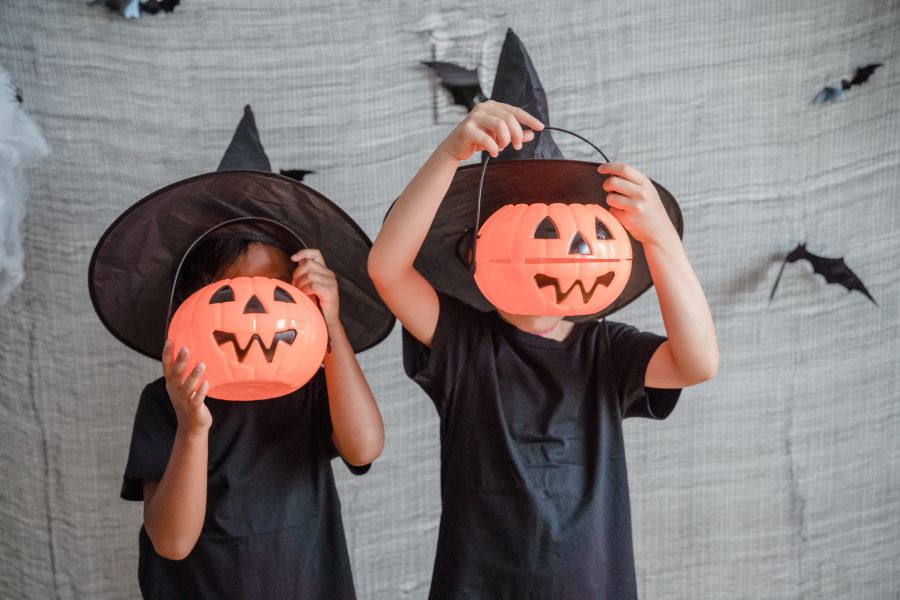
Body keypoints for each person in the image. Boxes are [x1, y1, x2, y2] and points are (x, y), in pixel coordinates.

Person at [368, 98, 719, 598]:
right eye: (534, 233)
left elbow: (698, 361)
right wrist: (450, 153)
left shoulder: (609, 351)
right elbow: (386, 269)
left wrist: (660, 237)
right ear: (474, 257)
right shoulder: (462, 341)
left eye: (573, 236)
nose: (553, 253)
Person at [89, 105, 394, 598]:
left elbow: (364, 446)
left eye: (277, 291)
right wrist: (193, 427)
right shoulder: (167, 401)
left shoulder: (313, 384)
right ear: (191, 304)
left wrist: (330, 322)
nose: (256, 313)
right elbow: (170, 541)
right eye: (231, 293)